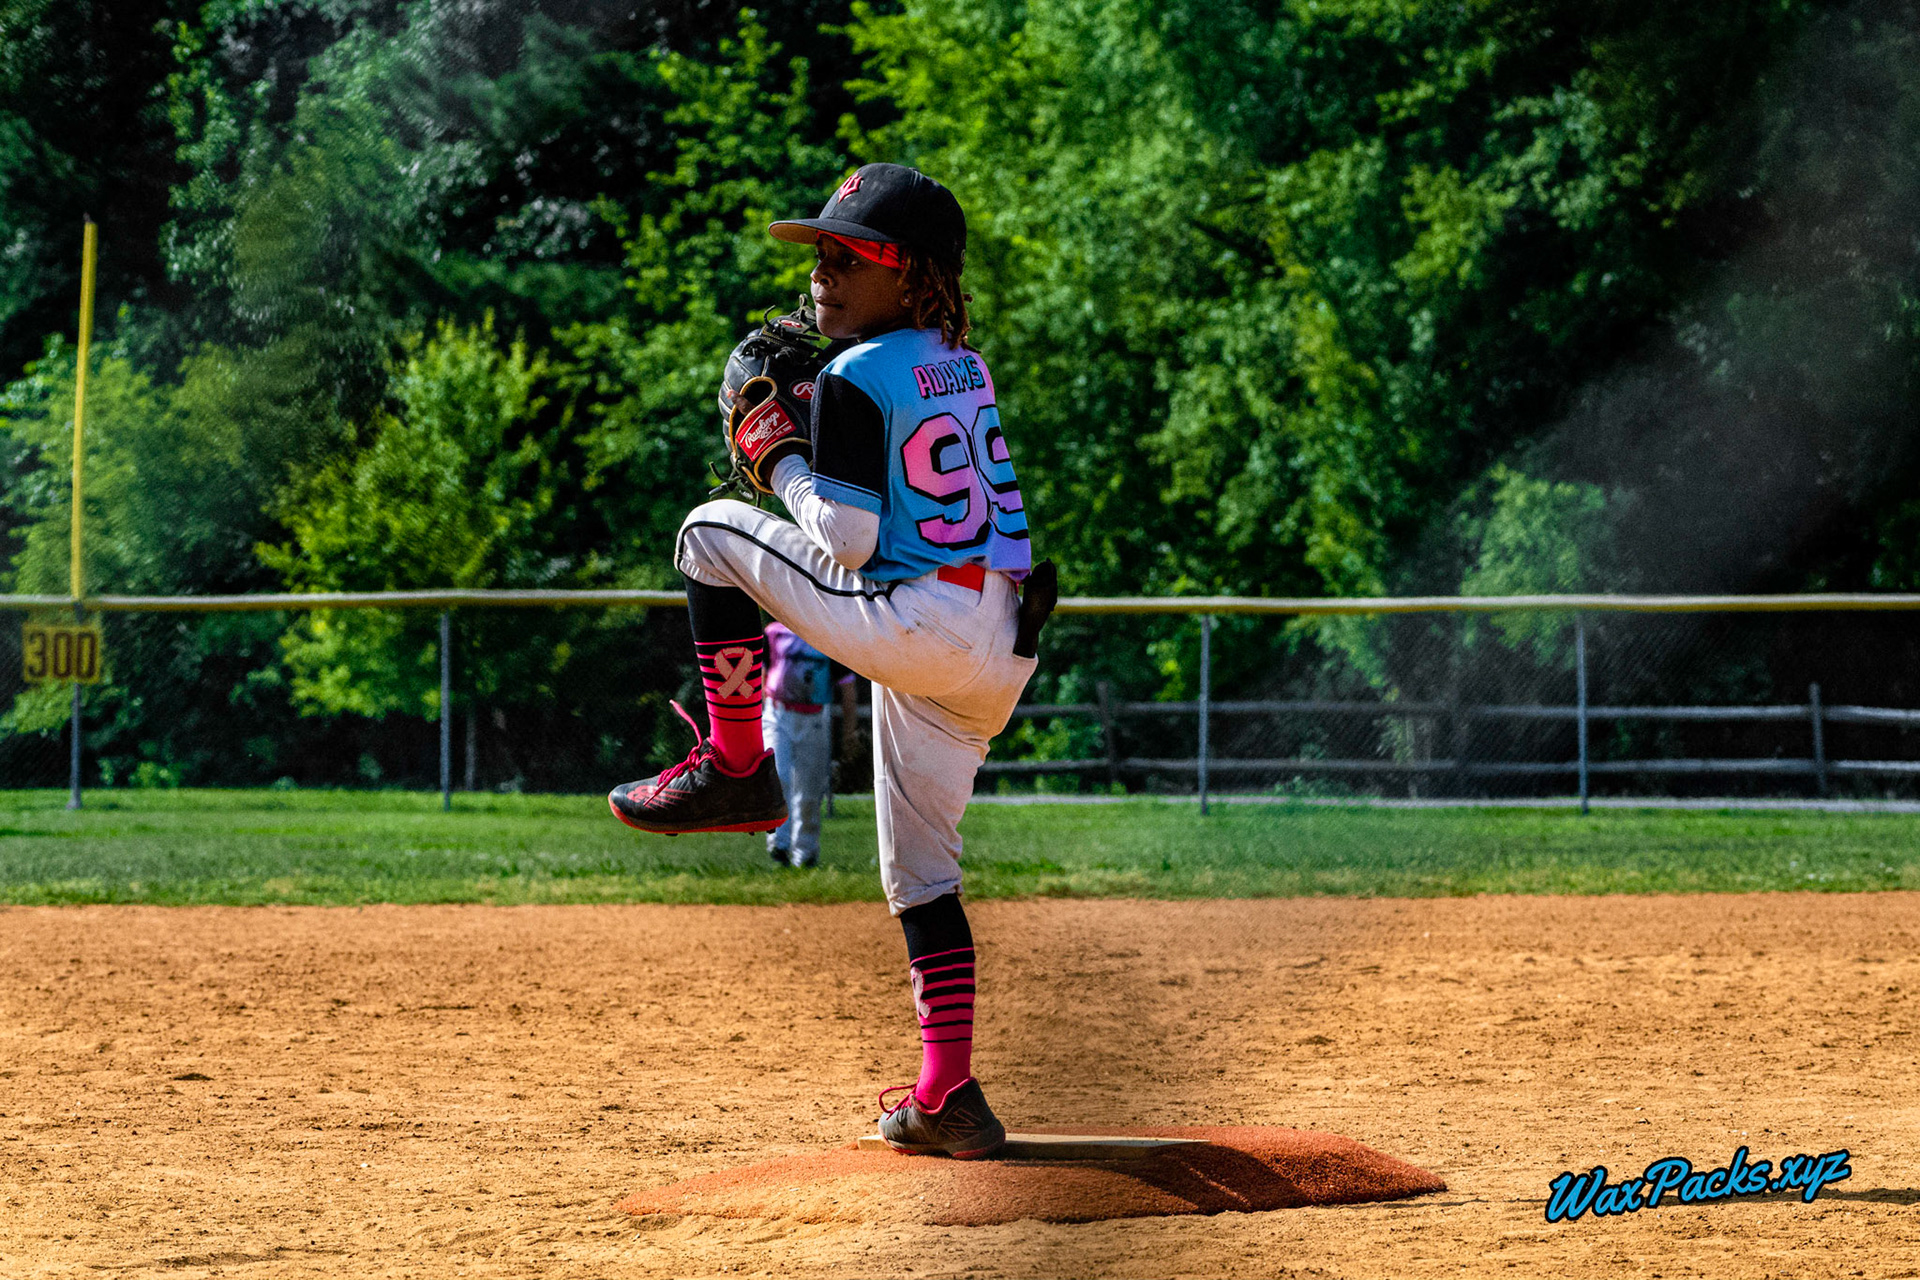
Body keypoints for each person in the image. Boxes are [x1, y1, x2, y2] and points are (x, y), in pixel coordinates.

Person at [608, 162, 1040, 1159]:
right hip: (1001, 641)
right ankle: (949, 1097)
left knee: (707, 534)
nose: (823, 275)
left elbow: (844, 536)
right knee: (922, 872)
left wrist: (778, 458)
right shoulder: (958, 365)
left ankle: (737, 765)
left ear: (914, 275)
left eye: (851, 257)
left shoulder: (853, 371)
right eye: (819, 256)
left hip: (920, 615)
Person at [760, 619, 848, 869]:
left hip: (815, 716)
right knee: (779, 776)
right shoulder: (774, 632)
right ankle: (779, 844)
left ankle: (805, 853)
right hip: (778, 713)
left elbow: (847, 684)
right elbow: (763, 675)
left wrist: (849, 732)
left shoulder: (829, 633)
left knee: (809, 790)